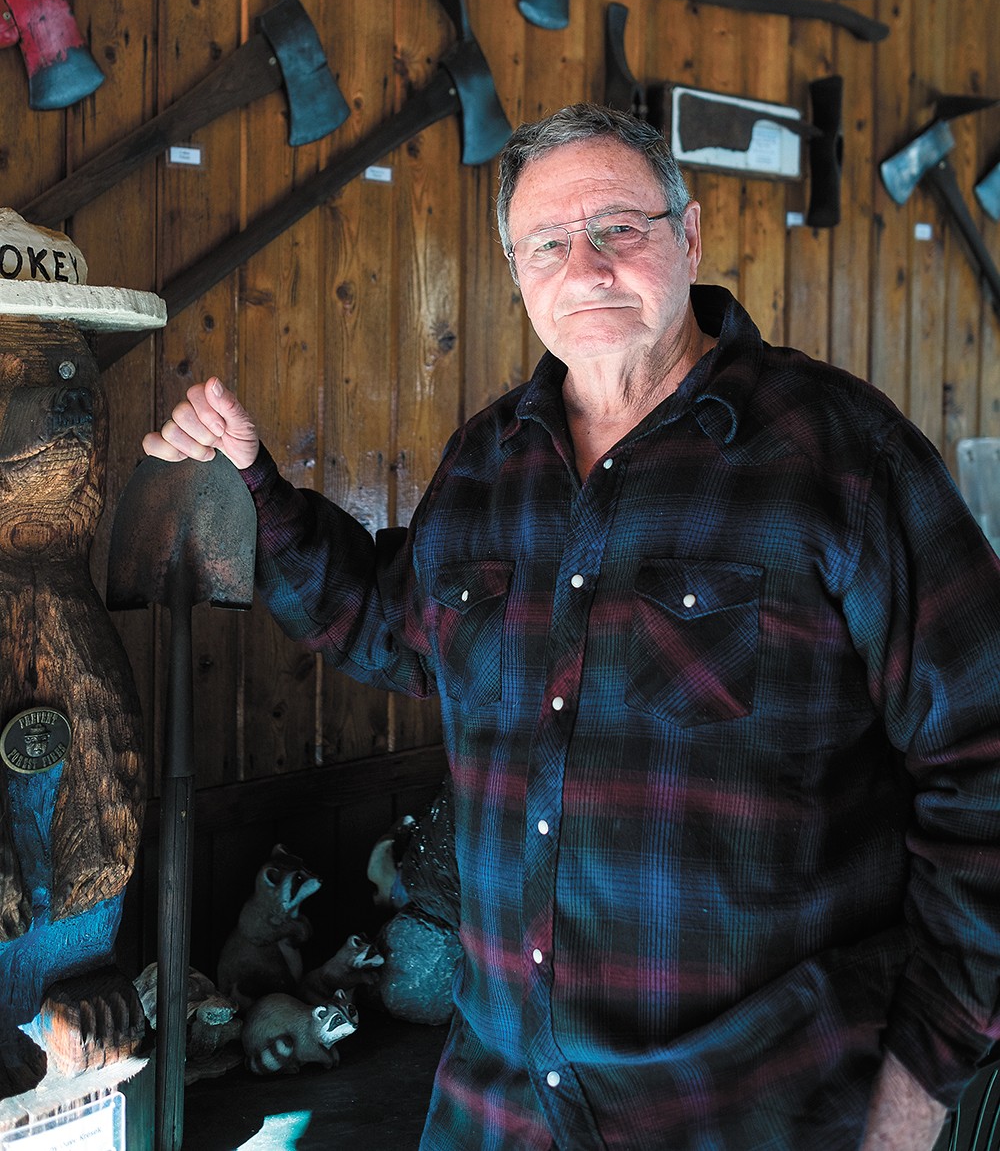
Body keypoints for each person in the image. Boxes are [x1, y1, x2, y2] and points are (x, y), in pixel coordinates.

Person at [144, 103, 1000, 1150]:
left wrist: (917, 1089)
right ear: (516, 270)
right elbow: (387, 626)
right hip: (502, 1097)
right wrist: (253, 483)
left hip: (755, 1105)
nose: (585, 266)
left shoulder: (837, 455)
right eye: (547, 242)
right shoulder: (486, 461)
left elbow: (985, 763)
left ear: (687, 236)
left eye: (619, 228)